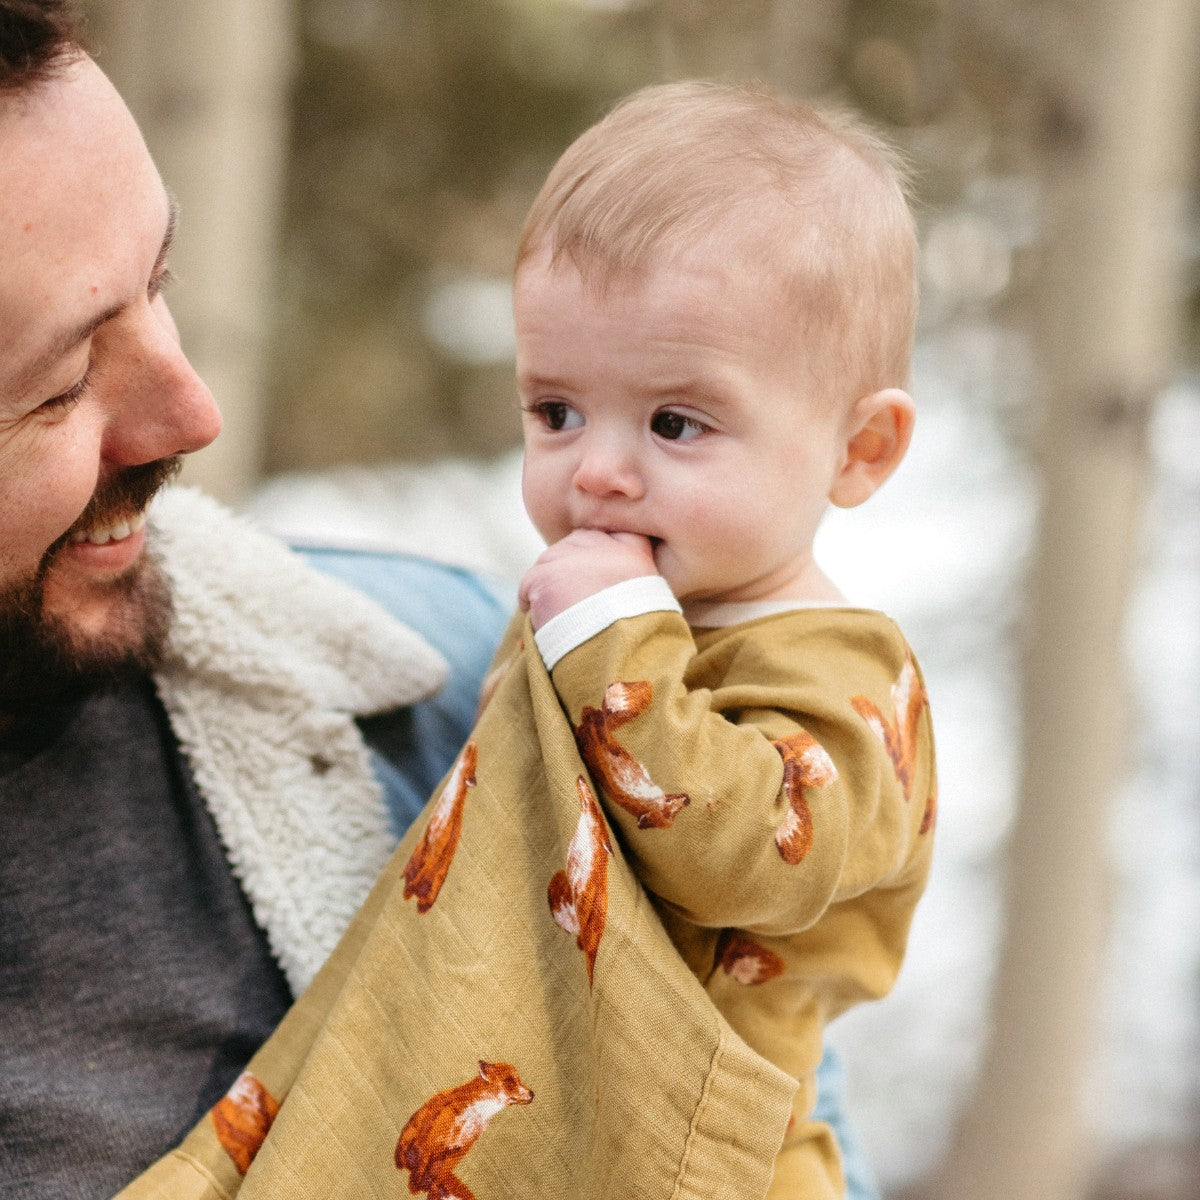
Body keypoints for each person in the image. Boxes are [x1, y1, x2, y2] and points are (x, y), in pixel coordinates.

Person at [0, 9, 879, 1199]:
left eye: (160, 283)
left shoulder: (441, 675)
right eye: (57, 388)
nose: (193, 415)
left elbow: (762, 1066)